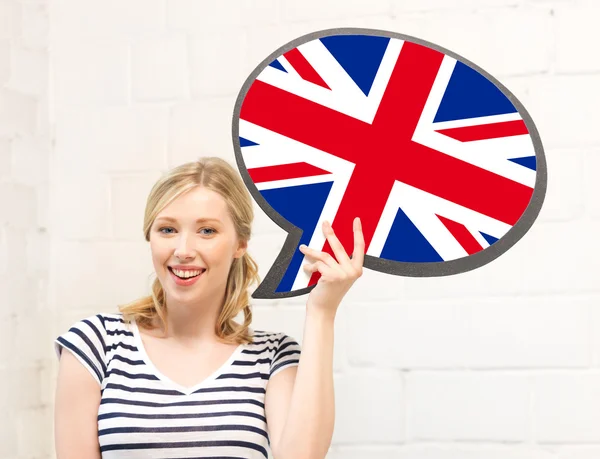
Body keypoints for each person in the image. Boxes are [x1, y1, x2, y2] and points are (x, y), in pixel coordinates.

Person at [53, 156, 364, 458]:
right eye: (167, 229)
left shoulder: (272, 356)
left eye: (207, 231)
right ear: (150, 237)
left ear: (240, 243)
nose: (183, 250)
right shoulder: (96, 344)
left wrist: (322, 312)